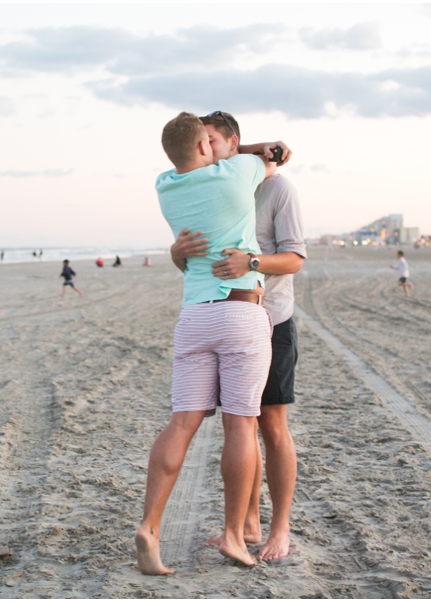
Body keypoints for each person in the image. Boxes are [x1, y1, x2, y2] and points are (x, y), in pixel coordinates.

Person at [136, 112, 279, 575]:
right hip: (240, 312)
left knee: (181, 424)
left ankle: (149, 528)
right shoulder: (236, 172)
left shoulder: (164, 186)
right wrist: (243, 149)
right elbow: (274, 153)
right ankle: (236, 535)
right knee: (241, 426)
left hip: (194, 315)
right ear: (206, 146)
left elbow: (187, 159)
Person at [172, 110, 301, 562]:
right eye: (198, 142)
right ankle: (247, 523)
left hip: (273, 318)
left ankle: (279, 528)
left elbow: (295, 259)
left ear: (232, 142)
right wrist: (176, 251)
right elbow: (190, 265)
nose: (201, 151)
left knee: (272, 426)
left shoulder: (276, 188)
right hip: (232, 321)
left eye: (209, 141)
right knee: (239, 422)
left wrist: (251, 262)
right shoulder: (207, 187)